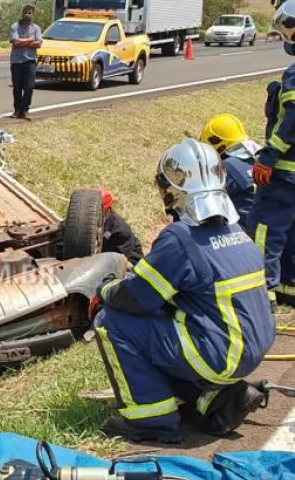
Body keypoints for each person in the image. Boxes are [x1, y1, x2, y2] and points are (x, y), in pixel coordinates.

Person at [92, 139, 274, 444]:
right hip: (251, 347)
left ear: (174, 189)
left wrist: (106, 290)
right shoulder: (236, 232)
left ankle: (152, 420)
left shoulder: (181, 238)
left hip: (220, 355)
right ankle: (218, 402)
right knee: (165, 327)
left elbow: (136, 296)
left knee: (112, 321)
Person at [248, 0, 295, 307]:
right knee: (291, 233)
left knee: (265, 229)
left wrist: (268, 158)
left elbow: (290, 118)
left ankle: (259, 296)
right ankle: (289, 290)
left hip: (285, 173)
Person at [200, 113, 259, 228]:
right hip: (275, 229)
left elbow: (206, 207)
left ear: (217, 143)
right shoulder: (262, 159)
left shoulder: (227, 168)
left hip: (244, 233)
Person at [9, 4, 43, 121]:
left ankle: (24, 109)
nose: (28, 15)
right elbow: (15, 43)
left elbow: (38, 44)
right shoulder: (15, 27)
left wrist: (23, 42)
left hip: (30, 61)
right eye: (26, 12)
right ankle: (17, 110)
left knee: (29, 87)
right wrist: (30, 40)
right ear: (22, 13)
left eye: (31, 12)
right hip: (16, 62)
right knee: (17, 87)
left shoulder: (36, 28)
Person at [101, 191, 144, 265]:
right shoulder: (90, 222)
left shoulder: (120, 229)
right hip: (105, 256)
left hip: (129, 262)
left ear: (107, 209)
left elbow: (119, 259)